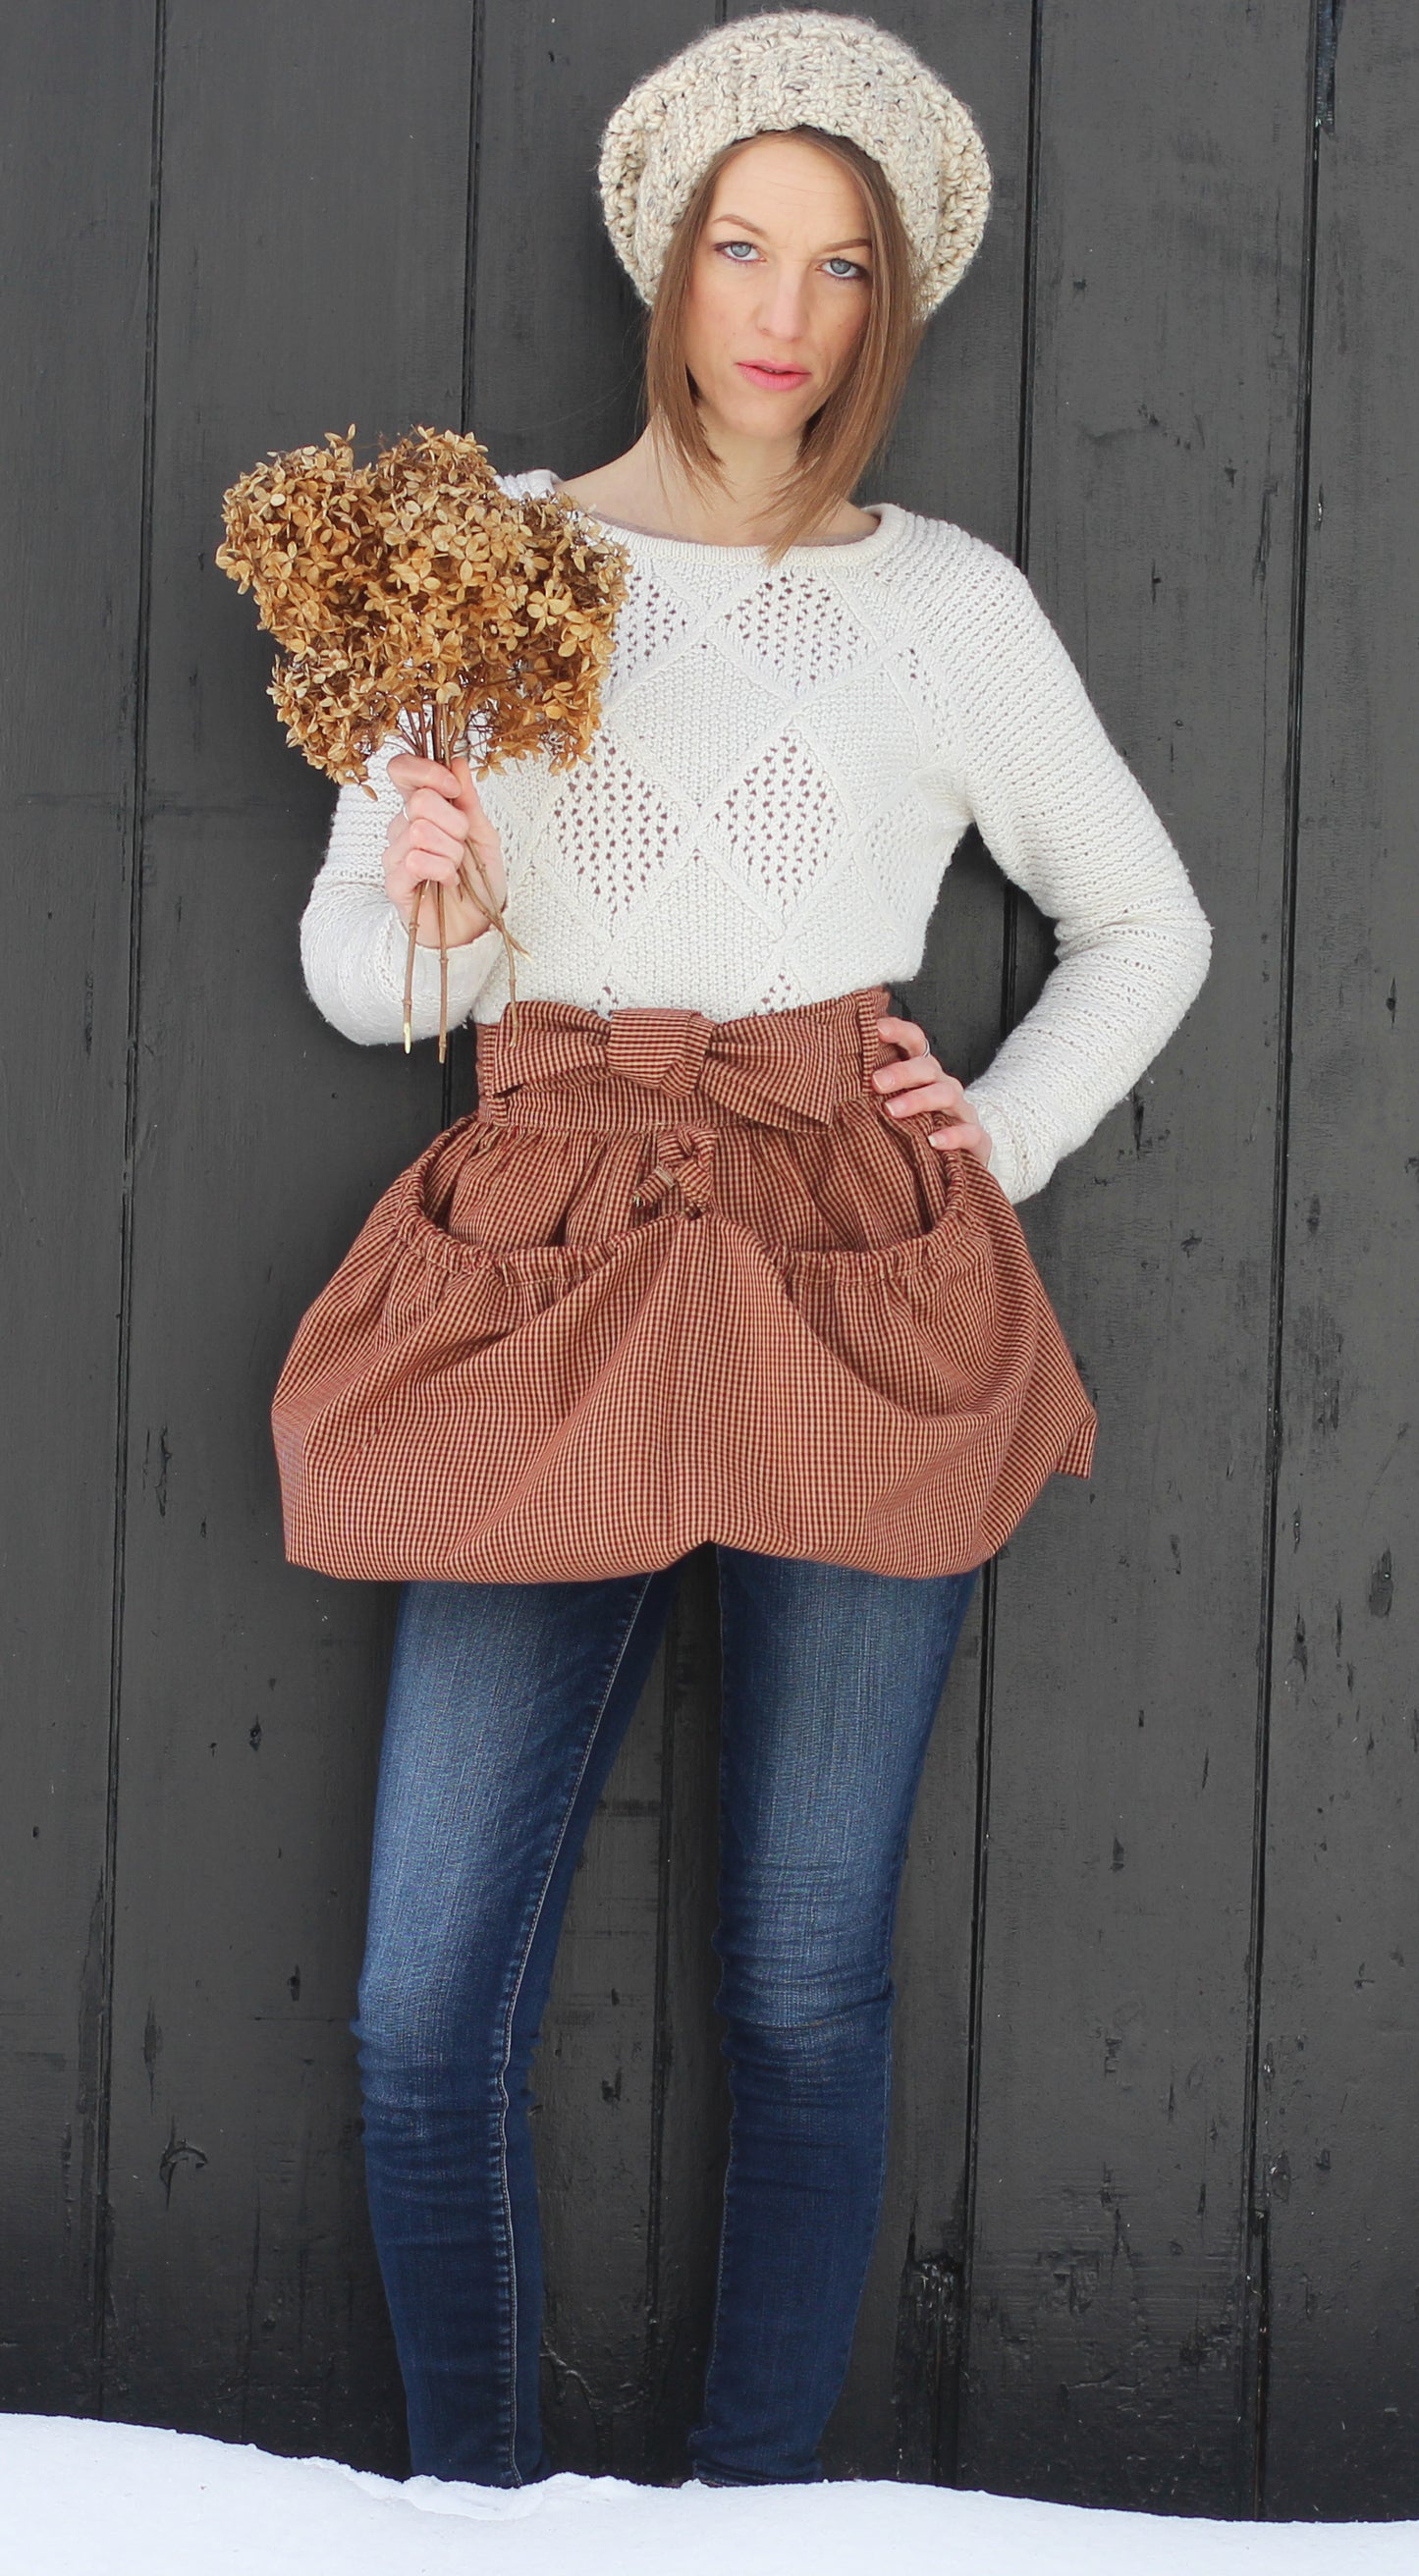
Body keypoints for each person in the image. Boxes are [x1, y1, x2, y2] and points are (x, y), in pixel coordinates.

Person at [280, 11, 1212, 2494]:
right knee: (414, 2005)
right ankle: (469, 2516)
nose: (782, 307)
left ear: (885, 302)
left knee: (803, 1976)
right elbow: (367, 976)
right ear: (670, 262)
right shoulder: (485, 544)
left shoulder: (950, 607)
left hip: (842, 1248)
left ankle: (754, 2526)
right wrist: (447, 904)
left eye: (836, 261)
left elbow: (1150, 924)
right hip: (546, 1236)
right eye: (740, 244)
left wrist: (984, 1136)